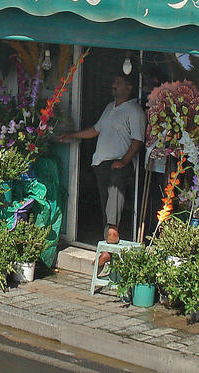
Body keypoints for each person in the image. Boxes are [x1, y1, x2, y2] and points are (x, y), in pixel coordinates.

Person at [60, 73, 146, 274]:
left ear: (129, 87)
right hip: (101, 163)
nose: (114, 84)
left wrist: (124, 160)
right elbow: (96, 130)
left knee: (114, 195)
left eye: (119, 82)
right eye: (114, 81)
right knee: (106, 204)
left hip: (118, 164)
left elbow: (138, 139)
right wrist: (72, 135)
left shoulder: (134, 111)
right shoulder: (110, 108)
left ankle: (112, 233)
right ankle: (108, 247)